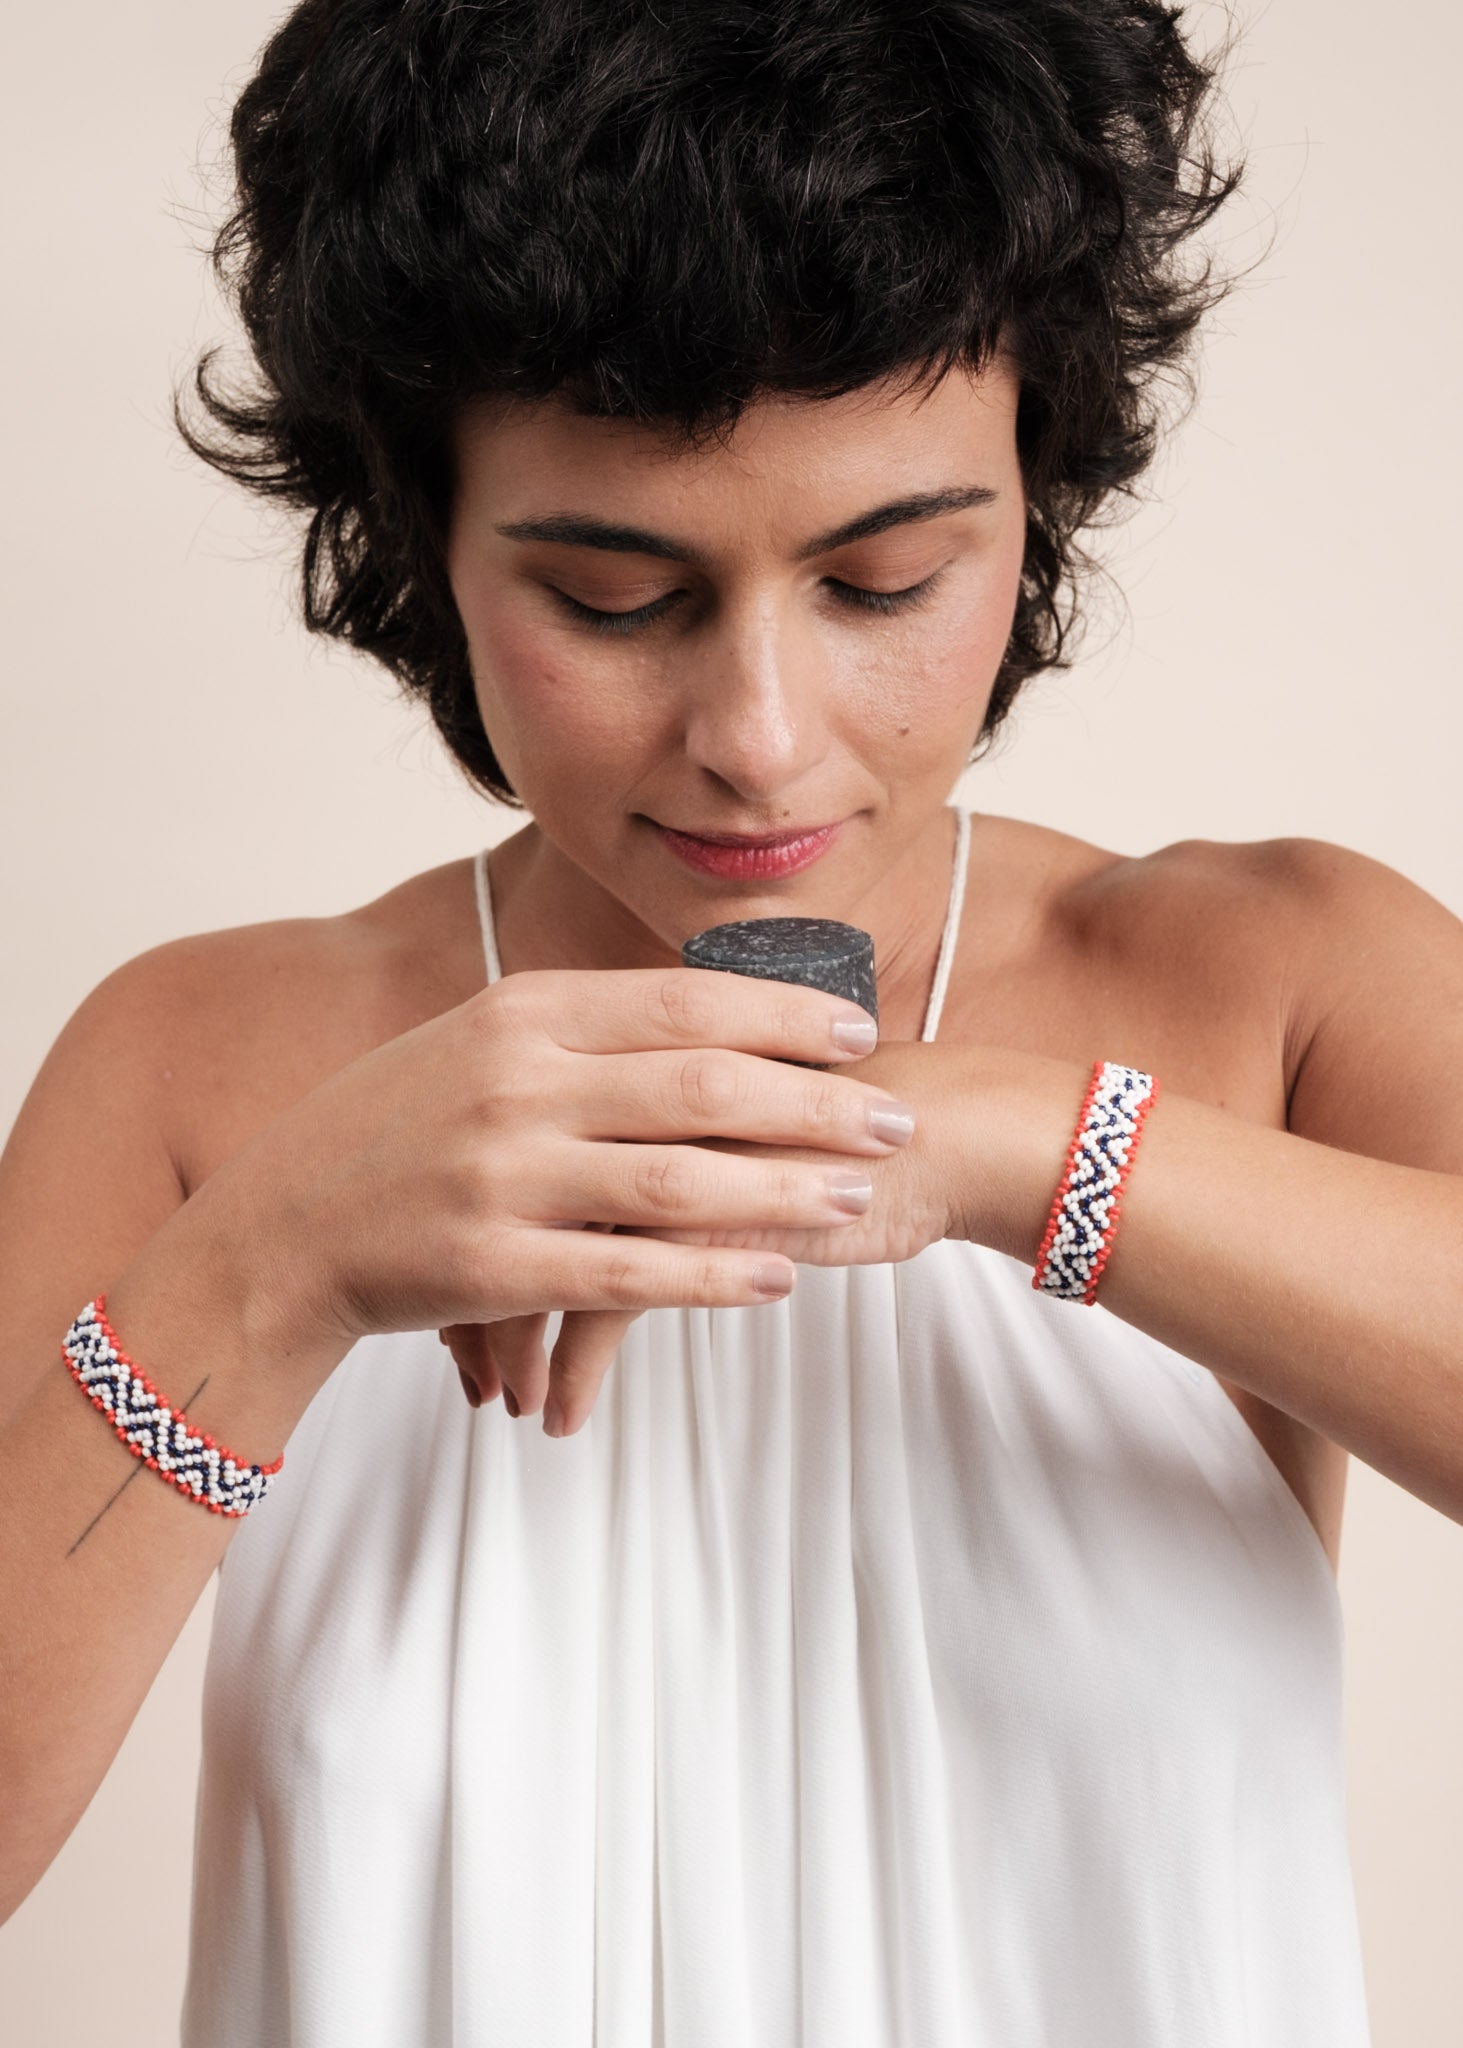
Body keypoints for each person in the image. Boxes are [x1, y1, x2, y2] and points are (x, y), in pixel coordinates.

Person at [2, 0, 1460, 2040]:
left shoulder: (1276, 982)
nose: (759, 740)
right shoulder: (195, 1062)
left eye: (886, 581)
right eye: (616, 600)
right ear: (425, 535)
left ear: (1034, 496)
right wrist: (279, 1262)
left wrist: (999, 1145)